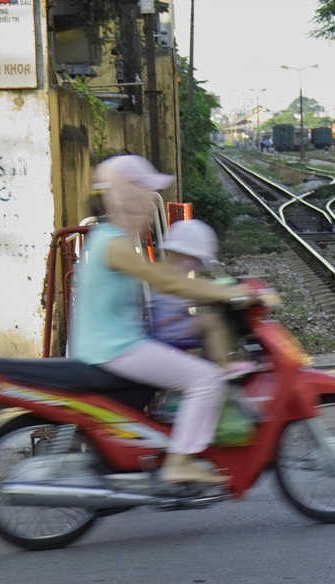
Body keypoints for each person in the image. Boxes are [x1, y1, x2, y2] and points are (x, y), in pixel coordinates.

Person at [70, 154, 254, 486]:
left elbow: (172, 282)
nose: (152, 200)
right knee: (206, 378)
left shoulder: (110, 237)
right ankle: (180, 462)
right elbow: (168, 282)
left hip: (111, 343)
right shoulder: (115, 244)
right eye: (145, 190)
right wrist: (228, 294)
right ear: (126, 193)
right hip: (116, 347)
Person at [147, 218, 264, 377]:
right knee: (212, 321)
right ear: (185, 255)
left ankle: (210, 364)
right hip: (169, 328)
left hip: (169, 323)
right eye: (193, 261)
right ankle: (221, 364)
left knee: (209, 318)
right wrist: (228, 293)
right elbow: (199, 294)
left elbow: (198, 288)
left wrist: (222, 289)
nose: (193, 266)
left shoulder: (169, 272)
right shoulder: (171, 277)